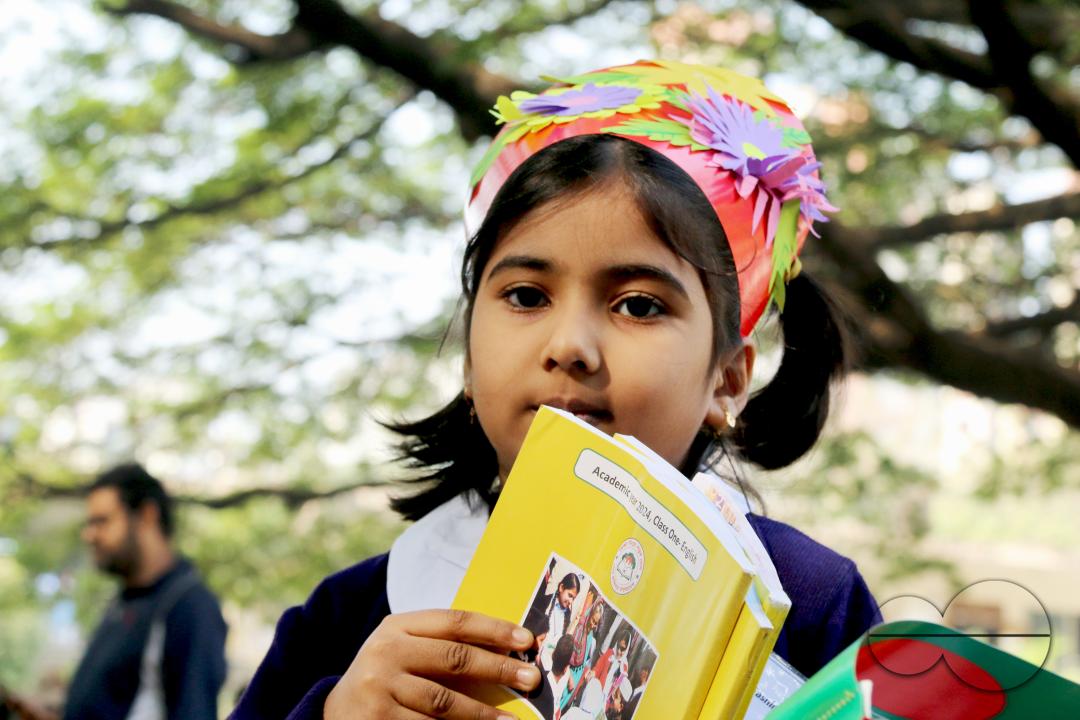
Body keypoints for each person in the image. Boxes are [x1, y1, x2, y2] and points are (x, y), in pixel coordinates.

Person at [230, 59, 882, 719]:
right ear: (469, 357)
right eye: (526, 295)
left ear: (727, 380)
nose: (569, 345)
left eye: (638, 305)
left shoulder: (812, 603)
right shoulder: (349, 618)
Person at [61, 463, 228, 719]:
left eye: (102, 521)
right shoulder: (124, 600)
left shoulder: (188, 606)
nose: (89, 535)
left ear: (147, 515)